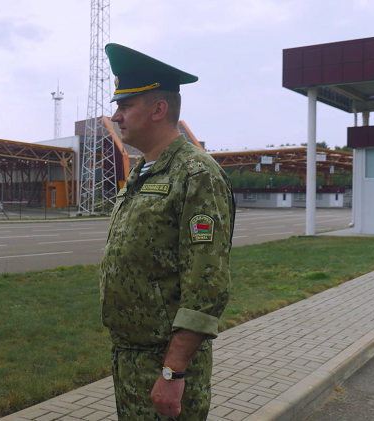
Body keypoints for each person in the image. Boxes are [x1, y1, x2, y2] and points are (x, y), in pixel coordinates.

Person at [99, 44, 235, 420]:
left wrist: (173, 371)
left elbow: (207, 284)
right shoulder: (144, 172)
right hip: (129, 355)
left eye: (126, 105)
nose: (116, 115)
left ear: (159, 109)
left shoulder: (196, 174)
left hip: (164, 360)